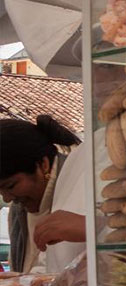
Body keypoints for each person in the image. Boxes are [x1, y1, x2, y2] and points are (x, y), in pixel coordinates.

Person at [0, 116, 87, 272]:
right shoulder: (18, 211)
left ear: (43, 165)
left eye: (11, 186)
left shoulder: (83, 185)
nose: (7, 198)